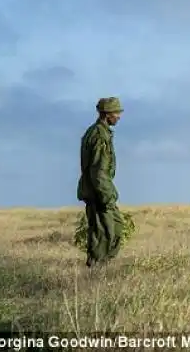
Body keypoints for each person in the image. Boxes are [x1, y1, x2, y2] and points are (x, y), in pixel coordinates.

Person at [77, 97, 125, 268]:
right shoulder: (99, 135)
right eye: (116, 112)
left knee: (111, 230)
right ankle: (96, 271)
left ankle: (99, 267)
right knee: (105, 233)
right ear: (107, 114)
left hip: (98, 190)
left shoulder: (98, 132)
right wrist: (107, 196)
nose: (119, 116)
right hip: (98, 192)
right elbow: (98, 171)